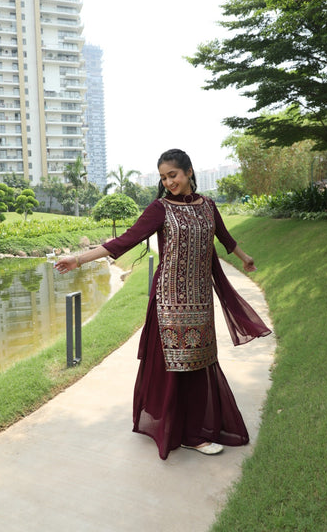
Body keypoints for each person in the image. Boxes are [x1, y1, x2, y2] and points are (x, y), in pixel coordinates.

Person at [55, 148, 272, 459]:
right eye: (163, 177)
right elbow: (123, 241)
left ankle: (189, 426)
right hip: (169, 300)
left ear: (189, 172)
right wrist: (78, 259)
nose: (169, 182)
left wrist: (244, 257)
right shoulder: (160, 209)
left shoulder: (208, 206)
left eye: (173, 175)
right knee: (176, 365)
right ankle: (187, 433)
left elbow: (223, 237)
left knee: (199, 362)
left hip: (200, 299)